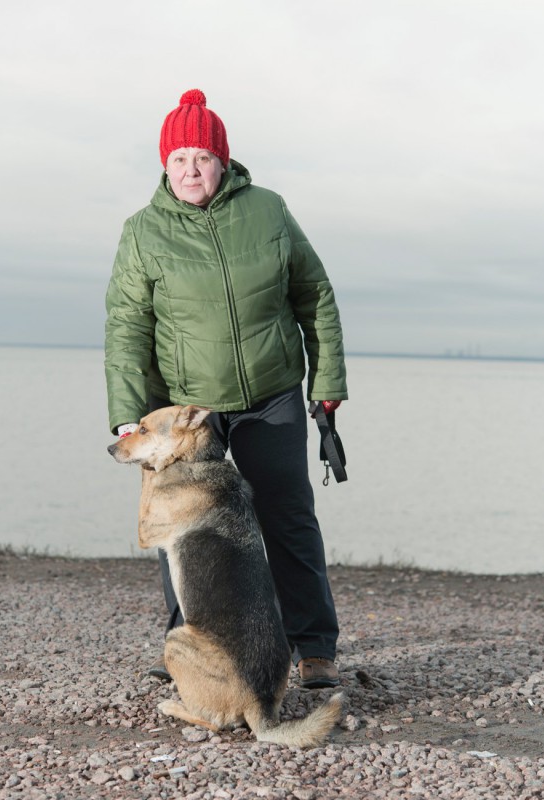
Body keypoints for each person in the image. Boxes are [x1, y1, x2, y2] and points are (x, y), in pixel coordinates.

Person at [105, 89, 348, 689]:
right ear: (166, 165)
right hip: (189, 412)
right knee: (184, 527)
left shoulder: (268, 210)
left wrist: (329, 380)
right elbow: (127, 327)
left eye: (203, 157)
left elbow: (313, 293)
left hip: (271, 394)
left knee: (287, 517)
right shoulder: (142, 232)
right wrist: (130, 416)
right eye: (180, 158)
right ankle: (189, 642)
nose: (192, 170)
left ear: (224, 162)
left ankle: (313, 647)